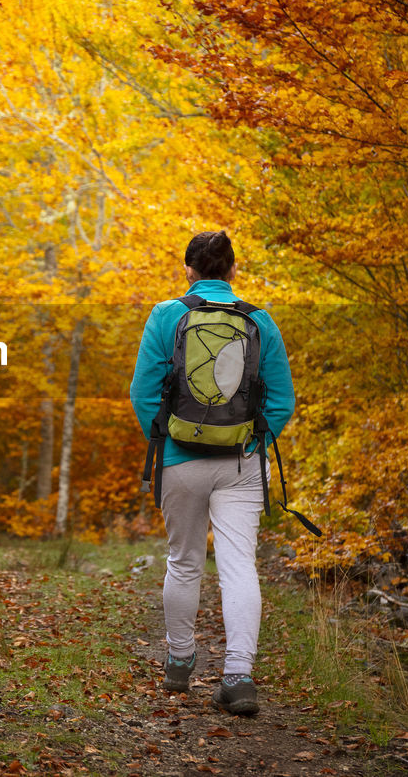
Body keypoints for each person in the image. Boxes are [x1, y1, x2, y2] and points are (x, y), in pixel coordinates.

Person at [128, 231, 295, 716]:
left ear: (189, 270)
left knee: (183, 562)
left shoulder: (166, 315)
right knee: (239, 566)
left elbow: (143, 392)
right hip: (242, 462)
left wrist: (168, 443)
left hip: (180, 459)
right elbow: (281, 400)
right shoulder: (260, 321)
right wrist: (251, 444)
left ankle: (179, 662)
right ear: (232, 271)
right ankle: (239, 677)